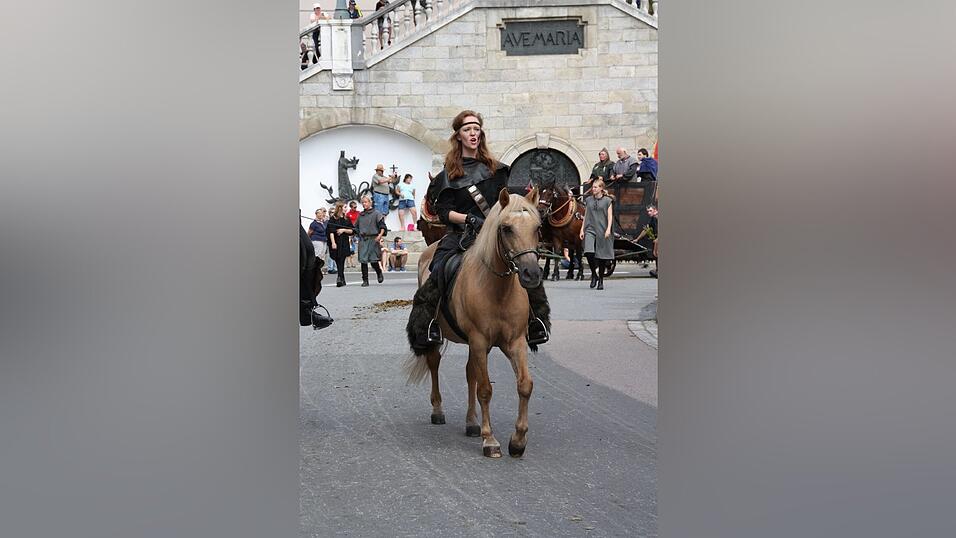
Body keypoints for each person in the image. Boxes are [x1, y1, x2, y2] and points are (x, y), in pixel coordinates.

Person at [406, 110, 551, 352]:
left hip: (495, 234)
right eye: (467, 129)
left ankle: (537, 322)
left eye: (476, 129)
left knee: (528, 266)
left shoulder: (497, 170)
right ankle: (428, 324)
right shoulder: (448, 176)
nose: (473, 133)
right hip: (461, 235)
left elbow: (506, 203)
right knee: (439, 268)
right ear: (458, 136)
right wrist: (468, 219)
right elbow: (444, 212)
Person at [580, 179, 614, 290]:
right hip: (590, 228)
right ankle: (594, 274)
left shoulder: (608, 201)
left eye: (595, 187)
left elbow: (610, 217)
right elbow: (586, 215)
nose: (593, 189)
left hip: (603, 229)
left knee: (601, 256)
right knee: (588, 252)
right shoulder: (589, 200)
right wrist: (582, 229)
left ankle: (601, 281)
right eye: (593, 187)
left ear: (601, 188)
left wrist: (608, 229)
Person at [355, 195, 386, 286]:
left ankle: (379, 272)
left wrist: (379, 236)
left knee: (373, 260)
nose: (364, 204)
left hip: (373, 239)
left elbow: (382, 226)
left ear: (370, 202)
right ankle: (365, 280)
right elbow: (355, 228)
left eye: (365, 202)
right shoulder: (361, 215)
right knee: (363, 260)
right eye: (363, 202)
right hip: (363, 239)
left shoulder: (377, 214)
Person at [327, 201, 354, 287]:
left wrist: (343, 230)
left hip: (344, 242)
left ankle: (339, 277)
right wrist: (333, 243)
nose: (346, 209)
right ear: (340, 208)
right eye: (345, 207)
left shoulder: (347, 219)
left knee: (341, 259)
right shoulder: (333, 219)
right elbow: (331, 231)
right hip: (336, 241)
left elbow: (352, 230)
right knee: (337, 259)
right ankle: (341, 277)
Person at [635, 205, 659, 278]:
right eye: (648, 211)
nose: (649, 212)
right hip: (656, 240)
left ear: (655, 210)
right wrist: (637, 239)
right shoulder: (652, 219)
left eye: (650, 211)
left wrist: (657, 239)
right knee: (656, 255)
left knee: (656, 253)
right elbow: (646, 230)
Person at [345, 200, 360, 268]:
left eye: (356, 207)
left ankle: (353, 262)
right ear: (351, 207)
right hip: (350, 232)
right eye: (354, 207)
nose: (355, 208)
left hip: (357, 232)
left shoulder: (359, 213)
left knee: (354, 249)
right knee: (350, 248)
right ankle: (348, 263)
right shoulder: (348, 214)